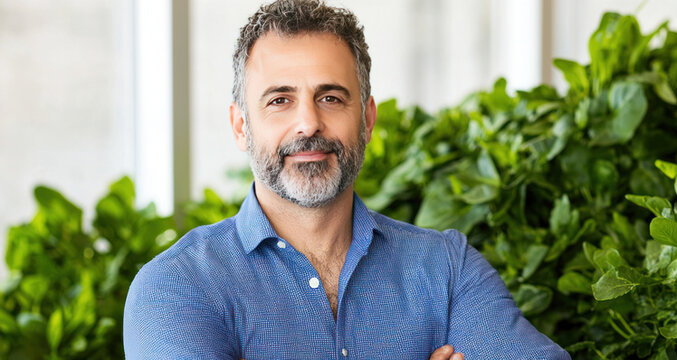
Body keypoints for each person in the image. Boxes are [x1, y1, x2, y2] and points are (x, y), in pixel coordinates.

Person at [123, 0, 570, 359]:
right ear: (241, 126)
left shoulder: (447, 270)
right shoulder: (176, 287)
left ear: (368, 118)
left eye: (331, 97)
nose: (308, 123)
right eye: (280, 100)